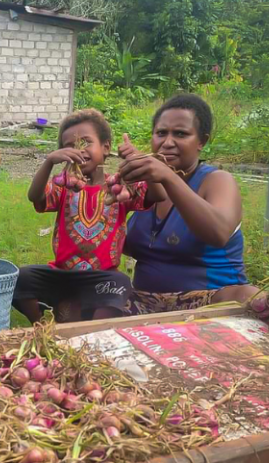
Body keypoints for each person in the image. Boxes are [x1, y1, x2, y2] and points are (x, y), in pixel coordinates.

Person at [12, 109, 166, 323]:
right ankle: (40, 325)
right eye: (69, 146)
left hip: (102, 278)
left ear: (106, 148)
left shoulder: (119, 186)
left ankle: (94, 330)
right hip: (62, 275)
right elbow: (35, 196)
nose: (78, 150)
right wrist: (48, 162)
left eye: (85, 142)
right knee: (21, 277)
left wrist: (139, 162)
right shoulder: (63, 186)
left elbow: (158, 194)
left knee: (121, 283)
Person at [119, 94, 259, 312]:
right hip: (145, 304)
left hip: (211, 302)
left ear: (201, 141)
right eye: (161, 133)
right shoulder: (146, 187)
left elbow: (218, 232)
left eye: (181, 134)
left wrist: (168, 176)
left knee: (251, 297)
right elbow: (122, 244)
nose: (167, 143)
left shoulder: (217, 181)